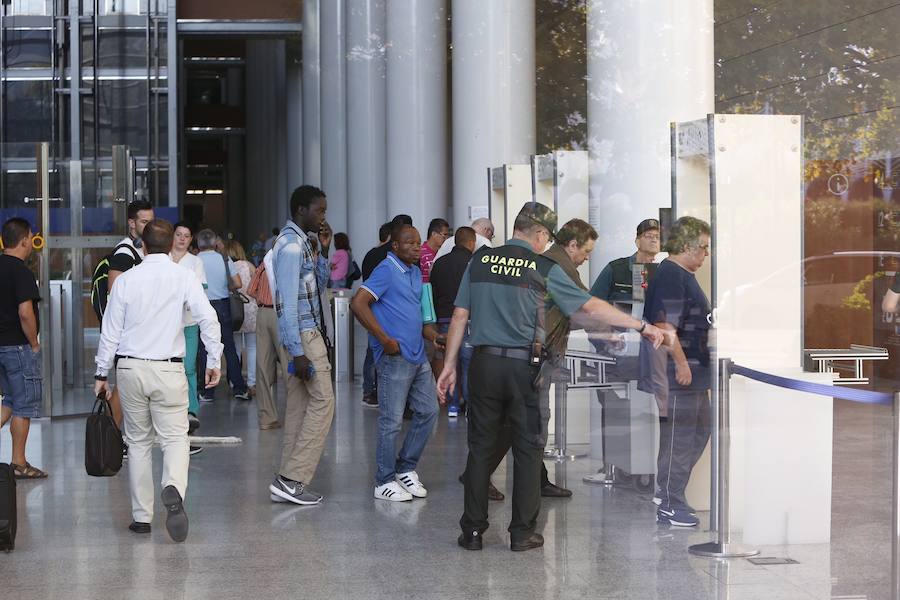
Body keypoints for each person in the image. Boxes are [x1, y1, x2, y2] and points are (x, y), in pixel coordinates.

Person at [437, 204, 667, 552]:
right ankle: (522, 533)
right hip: (524, 368)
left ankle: (472, 531)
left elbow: (458, 316)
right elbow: (588, 306)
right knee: (528, 448)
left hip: (484, 364)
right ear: (541, 235)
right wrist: (641, 325)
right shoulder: (543, 267)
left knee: (481, 445)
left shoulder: (479, 262)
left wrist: (450, 365)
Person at [94, 219, 223, 542]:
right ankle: (173, 487)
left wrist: (100, 373)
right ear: (171, 246)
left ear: (143, 246)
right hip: (169, 369)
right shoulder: (184, 277)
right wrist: (213, 359)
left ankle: (141, 518)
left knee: (137, 442)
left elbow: (110, 331)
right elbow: (208, 318)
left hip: (131, 369)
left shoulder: (125, 281)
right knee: (175, 438)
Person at [351, 224, 441, 502]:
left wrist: (435, 335)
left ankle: (405, 468)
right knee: (391, 422)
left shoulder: (415, 272)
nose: (416, 247)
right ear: (395, 246)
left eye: (417, 243)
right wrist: (383, 338)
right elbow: (358, 303)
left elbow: (418, 314)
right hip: (395, 358)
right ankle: (383, 480)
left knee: (428, 411)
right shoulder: (387, 270)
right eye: (409, 243)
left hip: (418, 355)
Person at [639, 216, 712, 528]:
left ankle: (669, 491)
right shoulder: (670, 274)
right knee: (679, 439)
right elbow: (665, 327)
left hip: (696, 374)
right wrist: (682, 364)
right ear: (686, 246)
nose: (706, 254)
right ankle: (670, 502)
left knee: (699, 432)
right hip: (680, 374)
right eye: (704, 248)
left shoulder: (682, 275)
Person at [269, 185, 335, 506]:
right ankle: (294, 478)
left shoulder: (305, 244)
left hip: (306, 334)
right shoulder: (292, 246)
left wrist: (323, 249)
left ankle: (287, 477)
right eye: (319, 210)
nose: (323, 217)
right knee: (324, 402)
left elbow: (318, 287)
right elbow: (286, 304)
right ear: (300, 211)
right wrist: (297, 350)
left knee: (299, 407)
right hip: (304, 336)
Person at [0, 218, 47, 479]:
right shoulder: (20, 271)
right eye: (31, 236)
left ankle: (18, 461)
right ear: (24, 240)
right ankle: (18, 463)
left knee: (9, 400)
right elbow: (25, 312)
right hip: (17, 347)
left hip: (1, 346)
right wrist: (34, 343)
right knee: (24, 405)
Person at [105, 200, 155, 432]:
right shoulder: (125, 252)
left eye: (151, 221)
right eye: (144, 222)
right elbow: (114, 290)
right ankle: (112, 436)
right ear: (131, 223)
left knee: (126, 387)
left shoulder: (141, 250)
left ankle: (115, 437)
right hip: (128, 332)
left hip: (138, 330)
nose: (149, 226)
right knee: (122, 387)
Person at [360, 218, 412, 409]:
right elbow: (359, 301)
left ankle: (369, 390)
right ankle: (389, 395)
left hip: (373, 312)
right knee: (387, 355)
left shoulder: (370, 255)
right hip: (389, 314)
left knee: (372, 352)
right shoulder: (391, 261)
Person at [195, 229, 249, 401]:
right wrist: (224, 286)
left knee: (205, 348)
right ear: (214, 243)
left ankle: (207, 391)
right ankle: (239, 388)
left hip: (203, 306)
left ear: (198, 243)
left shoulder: (195, 261)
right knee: (229, 347)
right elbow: (238, 283)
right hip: (223, 304)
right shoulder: (224, 259)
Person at [430, 226, 476, 418]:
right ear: (472, 242)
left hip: (444, 322)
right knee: (467, 365)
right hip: (467, 321)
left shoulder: (439, 263)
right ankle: (468, 407)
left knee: (450, 364)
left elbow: (433, 292)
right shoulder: (473, 263)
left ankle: (453, 406)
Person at [170, 222, 207, 449]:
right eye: (179, 235)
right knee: (169, 367)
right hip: (166, 324)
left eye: (186, 235)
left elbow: (199, 294)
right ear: (172, 237)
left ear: (191, 239)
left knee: (188, 367)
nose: (182, 239)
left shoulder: (195, 262)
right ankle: (171, 411)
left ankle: (191, 411)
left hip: (189, 322)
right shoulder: (162, 258)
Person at [246, 260, 291, 430]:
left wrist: (263, 298)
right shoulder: (286, 264)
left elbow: (250, 289)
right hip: (281, 314)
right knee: (288, 364)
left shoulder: (264, 265)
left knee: (263, 367)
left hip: (263, 313)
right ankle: (295, 414)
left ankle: (267, 419)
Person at [590, 218, 662, 305]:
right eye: (649, 236)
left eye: (657, 237)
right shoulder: (615, 269)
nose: (654, 240)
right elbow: (593, 303)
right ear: (637, 242)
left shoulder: (662, 273)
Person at [226, 240, 258, 398]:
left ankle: (234, 382)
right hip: (250, 308)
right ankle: (252, 382)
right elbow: (256, 287)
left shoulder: (227, 267)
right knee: (252, 348)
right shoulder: (249, 266)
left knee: (235, 348)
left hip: (235, 309)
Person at [420, 218, 450, 283]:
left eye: (448, 236)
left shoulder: (445, 253)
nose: (447, 239)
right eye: (444, 235)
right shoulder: (420, 253)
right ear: (433, 234)